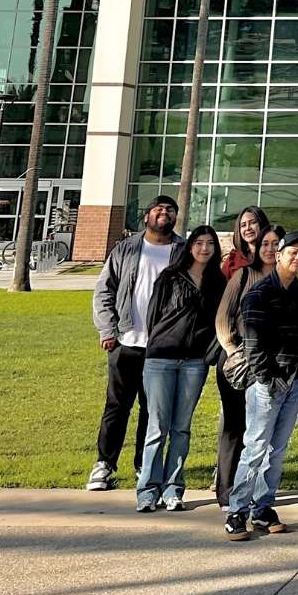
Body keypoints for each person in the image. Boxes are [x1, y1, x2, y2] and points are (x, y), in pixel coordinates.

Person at [86, 195, 183, 492]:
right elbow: (104, 291)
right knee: (117, 406)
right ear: (147, 217)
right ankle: (104, 464)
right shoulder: (126, 249)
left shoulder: (182, 251)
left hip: (162, 346)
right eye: (158, 209)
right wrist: (108, 330)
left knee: (151, 410)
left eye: (170, 210)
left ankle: (145, 464)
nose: (164, 213)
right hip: (126, 341)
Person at [225, 231, 298, 540]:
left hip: (295, 381)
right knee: (255, 448)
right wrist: (267, 378)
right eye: (292, 252)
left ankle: (262, 508)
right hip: (267, 383)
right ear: (277, 255)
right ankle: (236, 511)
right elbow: (254, 343)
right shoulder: (260, 293)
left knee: (276, 451)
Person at [137, 225, 223, 512]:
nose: (204, 248)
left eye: (210, 243)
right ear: (190, 246)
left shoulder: (217, 281)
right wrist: (159, 344)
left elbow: (220, 322)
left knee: (181, 428)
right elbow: (153, 315)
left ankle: (174, 489)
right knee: (157, 427)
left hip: (194, 363)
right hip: (161, 358)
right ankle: (148, 490)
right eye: (199, 243)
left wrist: (208, 352)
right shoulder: (170, 277)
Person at [212, 221, 280, 507]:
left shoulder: (290, 282)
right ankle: (227, 491)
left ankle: (252, 491)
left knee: (261, 432)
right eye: (265, 244)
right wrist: (232, 351)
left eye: (276, 244)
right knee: (235, 426)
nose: (270, 249)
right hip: (236, 362)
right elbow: (223, 317)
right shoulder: (243, 275)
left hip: (268, 367)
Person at [222, 204, 271, 278]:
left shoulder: (274, 256)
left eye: (253, 222)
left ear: (262, 224)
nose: (248, 228)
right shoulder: (233, 259)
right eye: (243, 225)